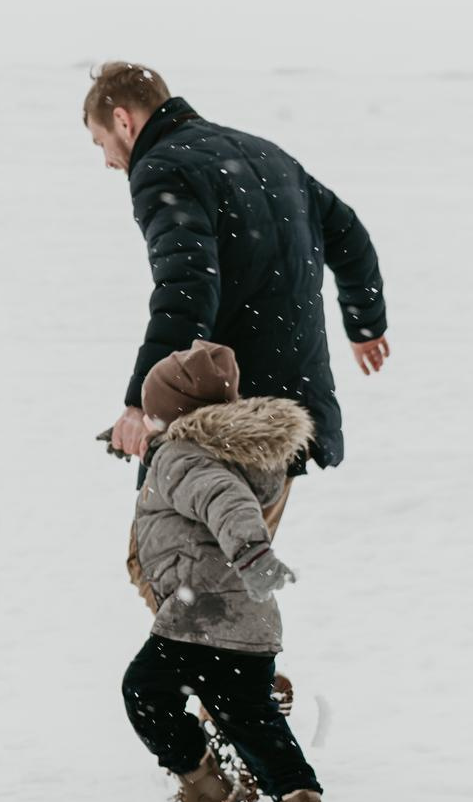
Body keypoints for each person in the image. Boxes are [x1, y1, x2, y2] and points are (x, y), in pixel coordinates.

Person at [83, 62, 391, 648]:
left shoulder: (162, 167)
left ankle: (244, 704)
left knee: (161, 566)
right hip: (287, 420)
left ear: (123, 120)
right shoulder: (267, 154)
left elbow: (186, 290)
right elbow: (349, 234)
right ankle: (246, 697)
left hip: (221, 417)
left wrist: (137, 406)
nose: (106, 161)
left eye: (102, 143)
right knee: (220, 582)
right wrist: (365, 322)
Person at [119, 342, 337, 802]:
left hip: (199, 616)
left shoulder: (180, 457)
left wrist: (254, 551)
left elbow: (225, 499)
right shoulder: (223, 450)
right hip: (247, 621)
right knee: (254, 721)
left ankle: (202, 780)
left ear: (172, 416)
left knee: (144, 690)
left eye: (151, 412)